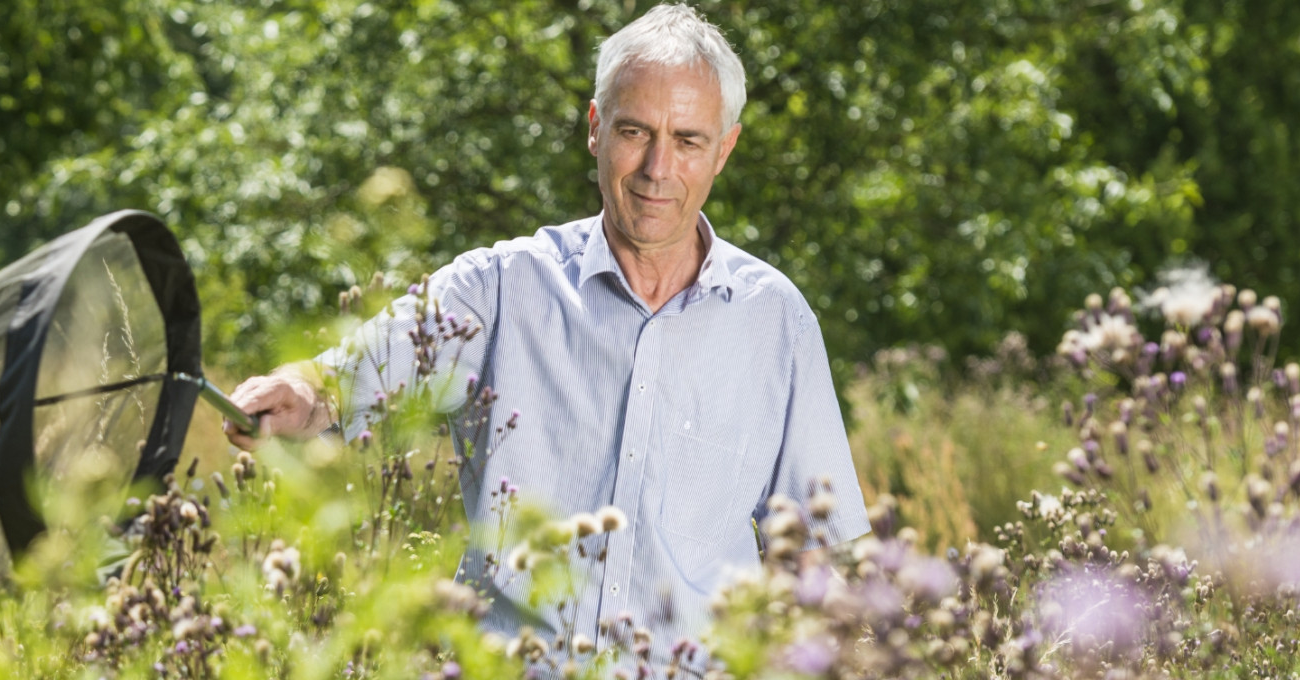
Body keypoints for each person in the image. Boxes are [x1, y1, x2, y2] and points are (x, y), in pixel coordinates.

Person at [222, 2, 870, 660]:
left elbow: (826, 555)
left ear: (723, 150)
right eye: (635, 132)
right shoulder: (504, 287)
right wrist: (301, 389)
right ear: (595, 129)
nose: (657, 167)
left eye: (688, 141)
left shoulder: (774, 320)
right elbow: (356, 369)